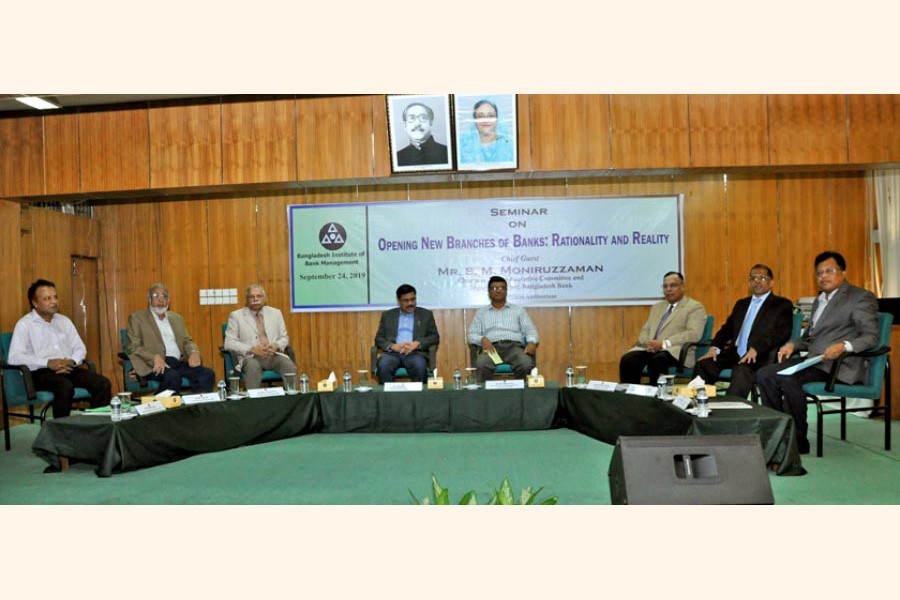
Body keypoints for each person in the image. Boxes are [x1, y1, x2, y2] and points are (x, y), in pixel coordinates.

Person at [756, 251, 879, 454]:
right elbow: (808, 338)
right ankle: (779, 432)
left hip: (839, 365)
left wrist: (844, 346)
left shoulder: (860, 297)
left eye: (829, 271)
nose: (824, 277)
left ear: (843, 272)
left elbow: (871, 336)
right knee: (764, 374)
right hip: (815, 361)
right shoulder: (819, 300)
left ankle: (797, 441)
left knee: (789, 379)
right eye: (819, 273)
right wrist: (792, 345)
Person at [8, 279, 111, 418]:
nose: (54, 301)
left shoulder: (64, 321)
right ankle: (62, 432)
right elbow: (14, 357)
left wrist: (72, 361)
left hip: (68, 368)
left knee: (102, 383)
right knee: (64, 386)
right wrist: (48, 363)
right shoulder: (25, 324)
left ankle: (95, 427)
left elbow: (79, 347)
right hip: (40, 373)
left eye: (55, 297)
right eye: (47, 298)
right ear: (35, 303)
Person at [694, 264, 794, 399]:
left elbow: (781, 334)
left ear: (771, 282)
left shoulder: (782, 305)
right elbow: (726, 329)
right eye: (753, 278)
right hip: (734, 354)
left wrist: (757, 348)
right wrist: (715, 348)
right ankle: (700, 405)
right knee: (704, 365)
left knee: (741, 371)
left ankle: (732, 412)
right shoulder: (741, 304)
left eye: (762, 278)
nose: (757, 281)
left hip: (760, 356)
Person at [619, 271, 707, 384]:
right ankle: (632, 397)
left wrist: (664, 344)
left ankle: (655, 397)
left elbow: (693, 334)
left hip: (674, 350)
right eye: (665, 286)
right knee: (628, 359)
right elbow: (645, 331)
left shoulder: (694, 307)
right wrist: (647, 343)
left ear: (682, 287)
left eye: (673, 285)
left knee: (657, 360)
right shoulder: (657, 307)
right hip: (651, 349)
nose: (668, 289)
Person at [125, 283, 215, 393]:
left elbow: (186, 341)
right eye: (156, 296)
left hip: (177, 363)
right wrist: (154, 358)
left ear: (169, 300)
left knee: (207, 374)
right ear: (148, 299)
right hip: (153, 365)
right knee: (173, 377)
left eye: (164, 296)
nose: (161, 299)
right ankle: (160, 407)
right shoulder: (137, 318)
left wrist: (193, 352)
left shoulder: (177, 318)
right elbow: (133, 346)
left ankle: (197, 407)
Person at [223, 284, 296, 389]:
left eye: (259, 296)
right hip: (250, 357)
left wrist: (275, 345)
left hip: (273, 355)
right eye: (252, 297)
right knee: (253, 367)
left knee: (289, 365)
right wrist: (252, 349)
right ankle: (253, 402)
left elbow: (284, 338)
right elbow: (229, 343)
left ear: (264, 299)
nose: (255, 299)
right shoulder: (236, 316)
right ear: (247, 300)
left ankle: (292, 399)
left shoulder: (276, 313)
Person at [467, 276, 538, 381]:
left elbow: (530, 330)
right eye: (494, 288)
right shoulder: (481, 313)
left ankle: (520, 394)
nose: (498, 291)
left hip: (514, 348)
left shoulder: (518, 310)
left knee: (525, 363)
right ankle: (486, 396)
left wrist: (532, 342)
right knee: (481, 363)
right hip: (492, 349)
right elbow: (471, 335)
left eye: (501, 288)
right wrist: (482, 339)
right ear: (489, 292)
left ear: (506, 291)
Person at [374, 284, 440, 383]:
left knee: (420, 366)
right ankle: (387, 398)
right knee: (383, 366)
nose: (411, 303)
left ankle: (420, 398)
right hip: (392, 354)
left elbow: (434, 337)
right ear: (399, 301)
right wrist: (392, 346)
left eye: (413, 299)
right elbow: (379, 339)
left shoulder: (426, 315)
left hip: (415, 353)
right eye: (406, 300)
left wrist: (417, 344)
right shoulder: (387, 315)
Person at [458, 99, 514, 164]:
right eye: (481, 116)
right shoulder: (462, 145)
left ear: (497, 119)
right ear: (474, 121)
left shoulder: (510, 144)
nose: (486, 120)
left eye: (491, 116)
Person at [396, 102, 448, 166]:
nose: (417, 123)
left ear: (431, 122)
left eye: (423, 118)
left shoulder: (447, 153)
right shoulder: (398, 157)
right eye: (412, 118)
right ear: (405, 125)